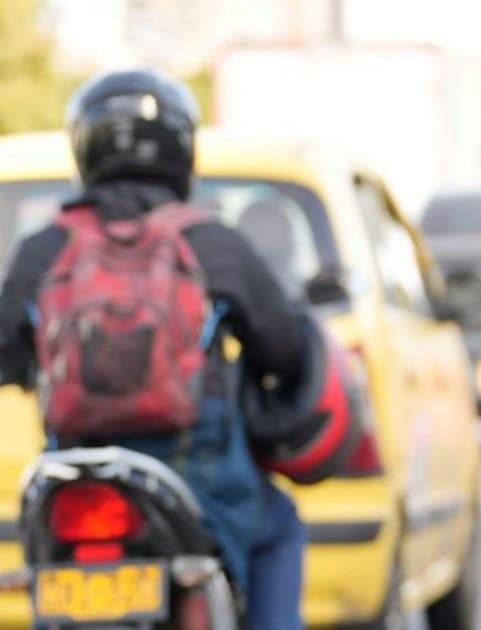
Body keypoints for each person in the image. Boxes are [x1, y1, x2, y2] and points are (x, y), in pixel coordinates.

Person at [0, 69, 307, 629]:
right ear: (182, 148)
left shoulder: (43, 248)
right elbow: (284, 348)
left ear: (84, 145)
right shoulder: (211, 242)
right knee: (279, 528)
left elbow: (4, 352)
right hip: (201, 475)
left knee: (50, 560)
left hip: (77, 473)